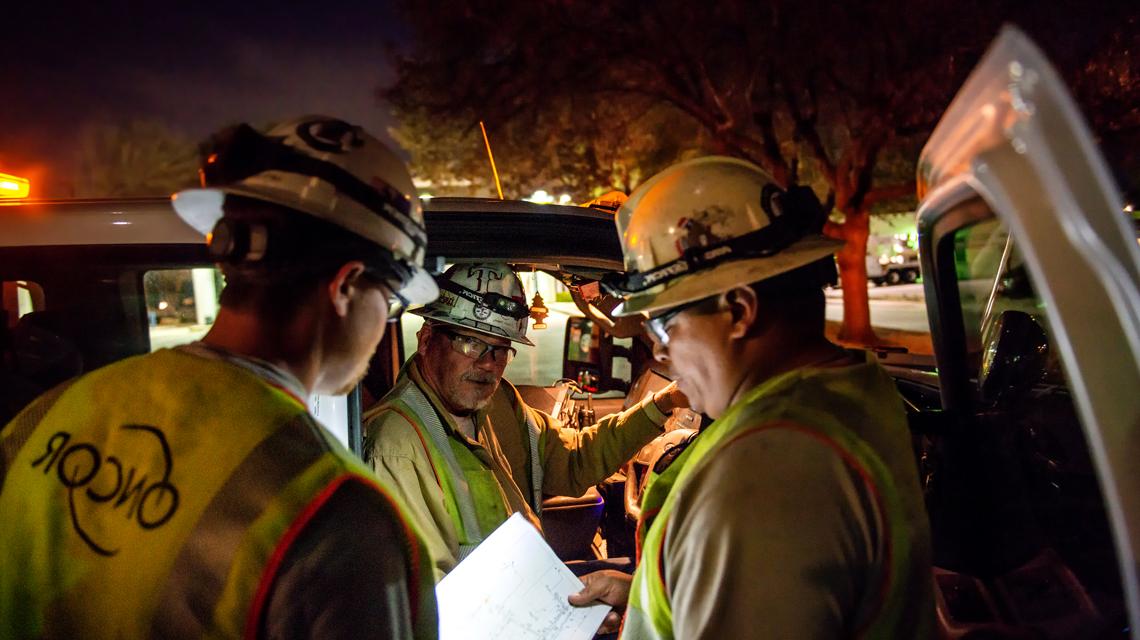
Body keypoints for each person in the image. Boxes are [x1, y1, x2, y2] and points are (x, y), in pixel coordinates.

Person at [0, 116, 440, 639]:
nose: (386, 322)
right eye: (389, 301)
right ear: (345, 286)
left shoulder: (45, 418)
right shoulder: (340, 516)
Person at [569, 156, 934, 638]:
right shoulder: (847, 392)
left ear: (739, 310)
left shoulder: (762, 475)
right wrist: (647, 593)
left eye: (663, 324)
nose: (658, 348)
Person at [363, 262, 686, 579]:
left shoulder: (497, 403)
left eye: (500, 349)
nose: (488, 364)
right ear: (426, 340)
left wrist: (663, 403)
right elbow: (425, 594)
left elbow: (574, 459)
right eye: (471, 342)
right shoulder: (395, 444)